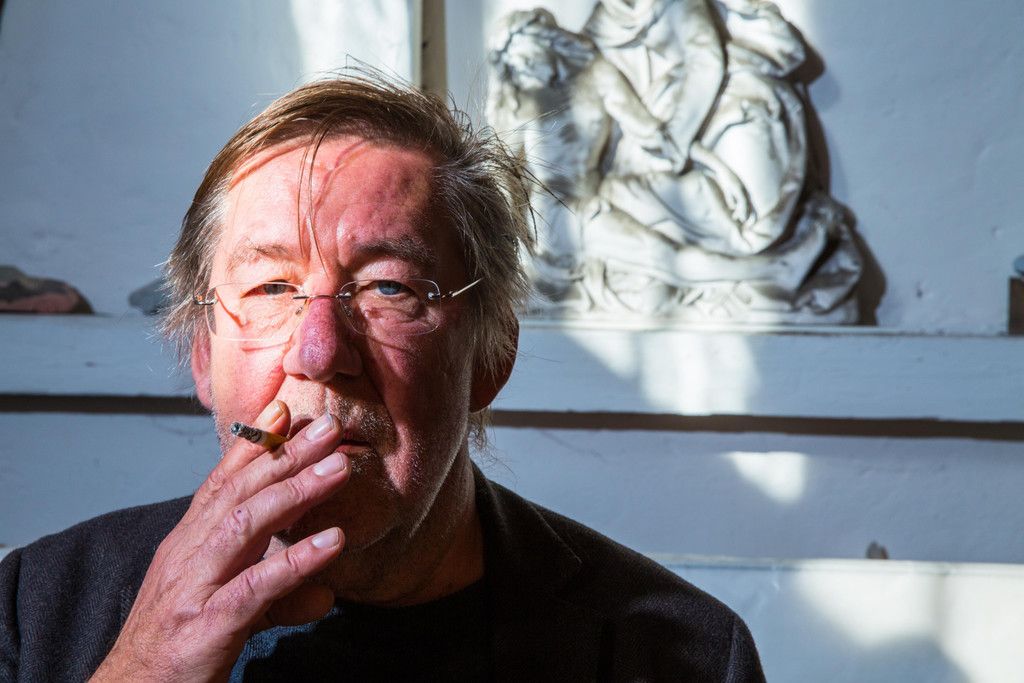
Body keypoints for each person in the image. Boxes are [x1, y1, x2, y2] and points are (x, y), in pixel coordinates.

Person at [0, 70, 765, 681]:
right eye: (272, 287)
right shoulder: (35, 607)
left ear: (491, 355)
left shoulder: (684, 652)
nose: (318, 351)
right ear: (204, 354)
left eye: (388, 288)